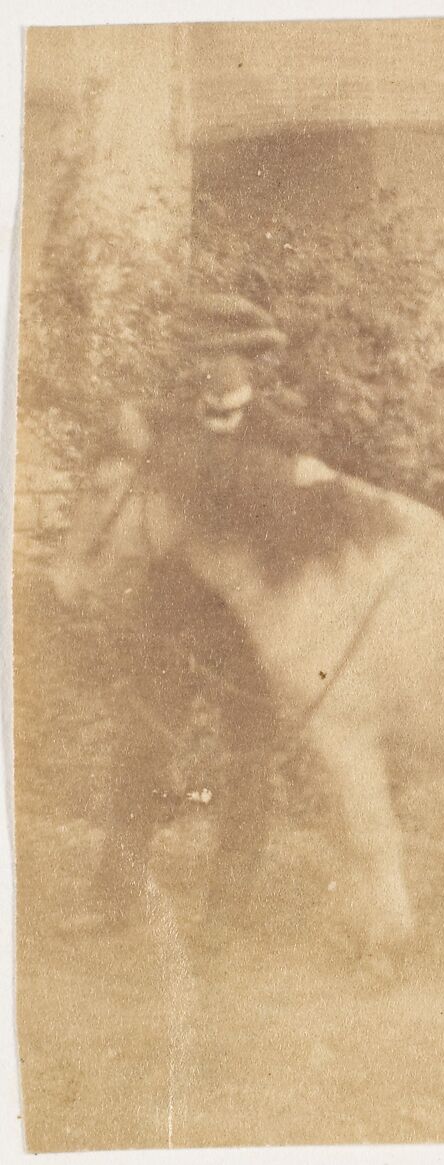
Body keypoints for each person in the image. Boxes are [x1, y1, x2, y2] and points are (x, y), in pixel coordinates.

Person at [58, 281, 296, 936]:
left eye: (224, 355)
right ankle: (114, 902)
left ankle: (226, 916)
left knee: (248, 765)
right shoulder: (161, 422)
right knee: (139, 750)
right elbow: (121, 492)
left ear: (251, 363)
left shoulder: (280, 435)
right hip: (168, 619)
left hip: (245, 631)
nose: (210, 368)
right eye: (200, 354)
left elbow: (281, 535)